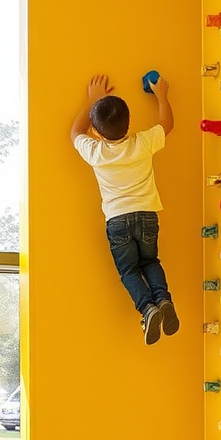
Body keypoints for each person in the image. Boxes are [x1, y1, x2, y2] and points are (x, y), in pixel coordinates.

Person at [71, 73, 179, 345]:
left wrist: (92, 100)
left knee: (130, 271)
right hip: (147, 215)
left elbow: (74, 132)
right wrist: (162, 96)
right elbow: (167, 124)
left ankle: (148, 308)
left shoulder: (96, 152)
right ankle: (163, 298)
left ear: (96, 133)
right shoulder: (142, 143)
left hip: (117, 220)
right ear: (129, 123)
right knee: (150, 261)